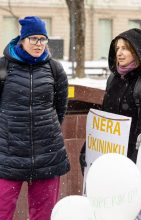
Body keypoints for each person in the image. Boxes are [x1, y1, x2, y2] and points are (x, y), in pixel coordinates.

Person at [80, 28, 141, 220]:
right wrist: (89, 147)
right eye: (117, 48)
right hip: (108, 157)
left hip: (131, 163)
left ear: (138, 51)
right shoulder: (113, 79)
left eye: (125, 48)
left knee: (133, 211)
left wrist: (133, 163)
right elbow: (104, 119)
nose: (119, 53)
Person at [0, 16, 70, 220]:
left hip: (46, 154)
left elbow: (59, 108)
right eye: (34, 39)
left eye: (43, 39)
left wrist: (45, 130)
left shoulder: (54, 69)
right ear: (22, 40)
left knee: (43, 214)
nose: (39, 44)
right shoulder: (3, 67)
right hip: (8, 154)